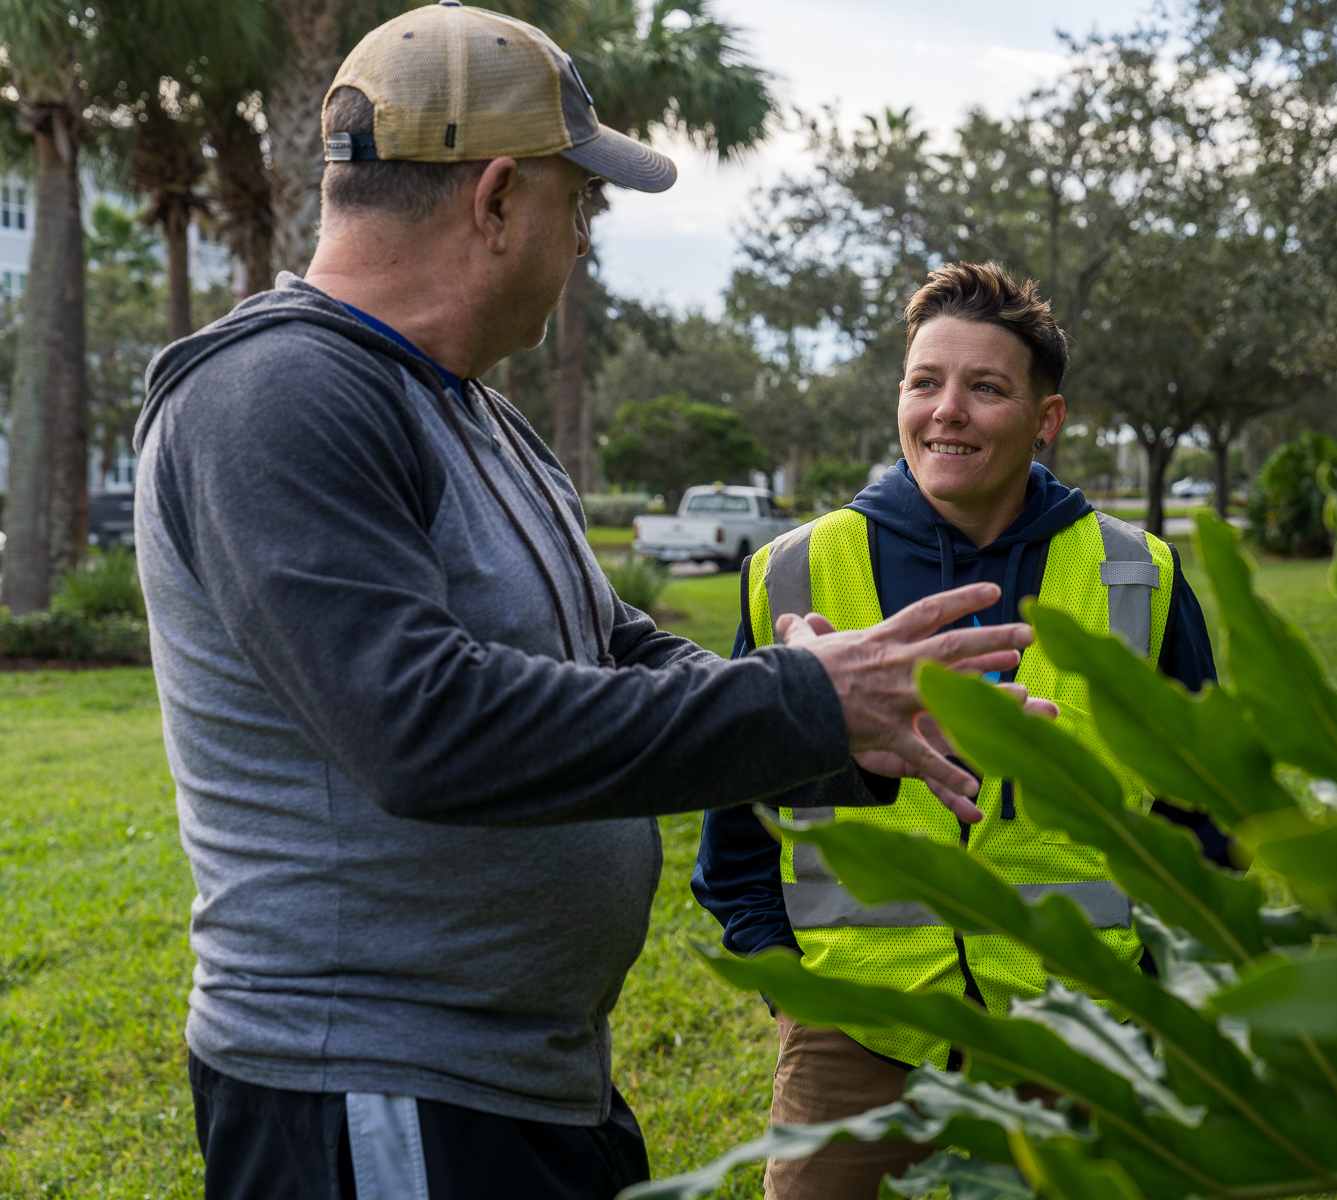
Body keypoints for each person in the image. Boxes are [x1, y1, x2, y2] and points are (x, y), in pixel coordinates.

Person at [133, 7, 1047, 1196]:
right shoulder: (276, 399)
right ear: (499, 198)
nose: (585, 244)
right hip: (375, 1092)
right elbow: (422, 729)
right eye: (582, 206)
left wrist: (847, 720)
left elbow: (606, 647)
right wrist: (802, 704)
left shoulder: (464, 407)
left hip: (519, 1079)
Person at [692, 261, 1231, 1200]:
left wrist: (1159, 995)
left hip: (1079, 1027)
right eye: (925, 382)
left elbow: (1208, 814)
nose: (948, 411)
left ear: (1045, 418)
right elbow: (738, 812)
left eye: (986, 388)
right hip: (856, 1033)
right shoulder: (794, 571)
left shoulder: (1135, 574)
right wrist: (787, 983)